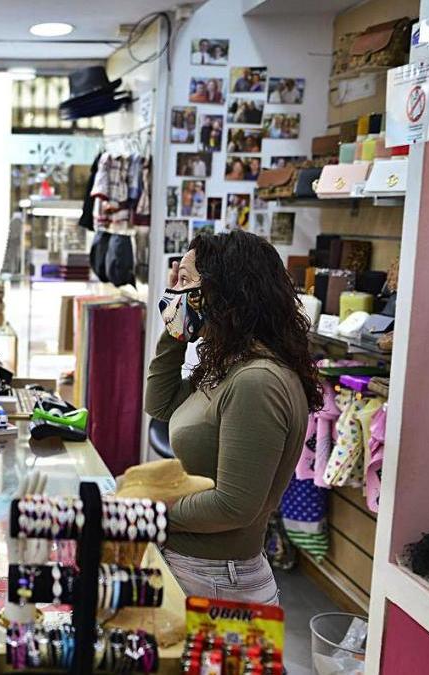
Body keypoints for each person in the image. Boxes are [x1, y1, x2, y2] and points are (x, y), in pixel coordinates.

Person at [146, 231, 322, 604]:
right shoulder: (230, 364)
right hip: (202, 571)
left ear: (222, 290)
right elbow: (161, 405)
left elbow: (234, 505)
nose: (175, 291)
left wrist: (148, 510)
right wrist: (175, 331)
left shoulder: (256, 381)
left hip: (216, 581)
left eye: (186, 281)